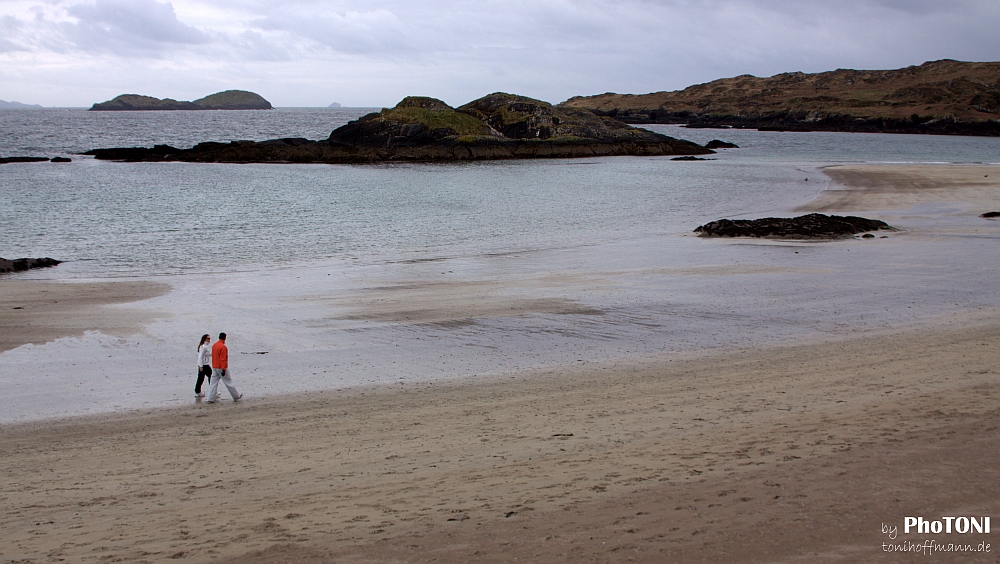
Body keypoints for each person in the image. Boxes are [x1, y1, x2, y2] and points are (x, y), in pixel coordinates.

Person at [206, 332, 242, 403]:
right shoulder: (223, 347)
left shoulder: (214, 345)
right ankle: (236, 396)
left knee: (213, 383)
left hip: (214, 366)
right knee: (228, 382)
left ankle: (210, 398)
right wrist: (223, 369)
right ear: (225, 338)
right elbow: (223, 359)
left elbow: (214, 356)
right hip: (220, 367)